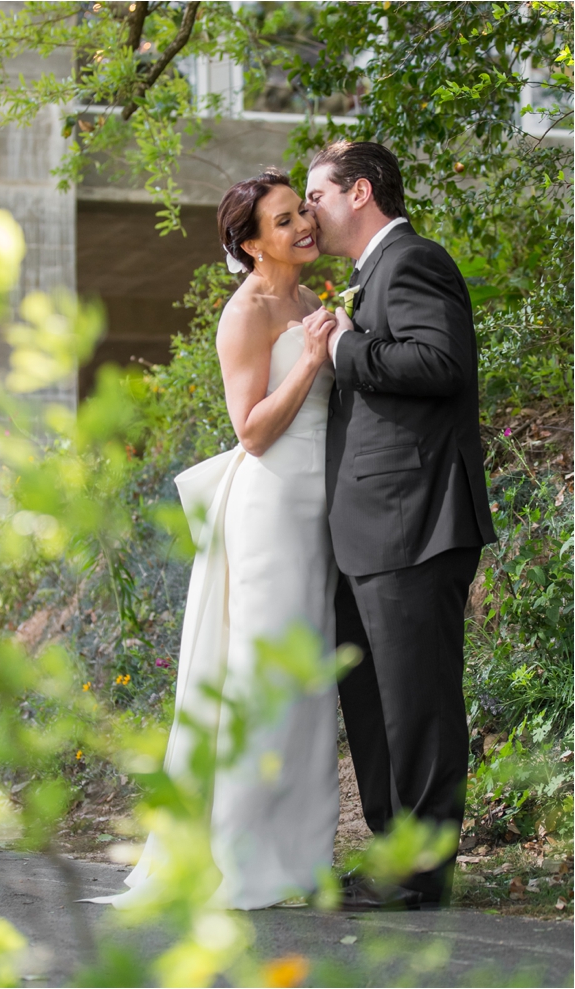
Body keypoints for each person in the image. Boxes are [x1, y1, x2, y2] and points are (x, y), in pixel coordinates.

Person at [88, 169, 341, 911]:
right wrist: (316, 361)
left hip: (314, 509)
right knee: (263, 683)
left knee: (305, 686)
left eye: (303, 213)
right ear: (250, 241)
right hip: (269, 512)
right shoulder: (249, 311)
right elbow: (252, 430)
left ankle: (298, 856)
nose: (304, 226)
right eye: (285, 219)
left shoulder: (305, 298)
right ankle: (241, 856)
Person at [303, 141, 496, 909]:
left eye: (315, 193)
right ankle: (395, 856)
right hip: (372, 528)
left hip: (415, 522)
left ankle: (421, 872)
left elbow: (439, 360)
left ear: (358, 192)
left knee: (417, 704)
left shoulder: (412, 260)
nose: (309, 209)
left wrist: (345, 346)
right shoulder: (369, 276)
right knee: (380, 708)